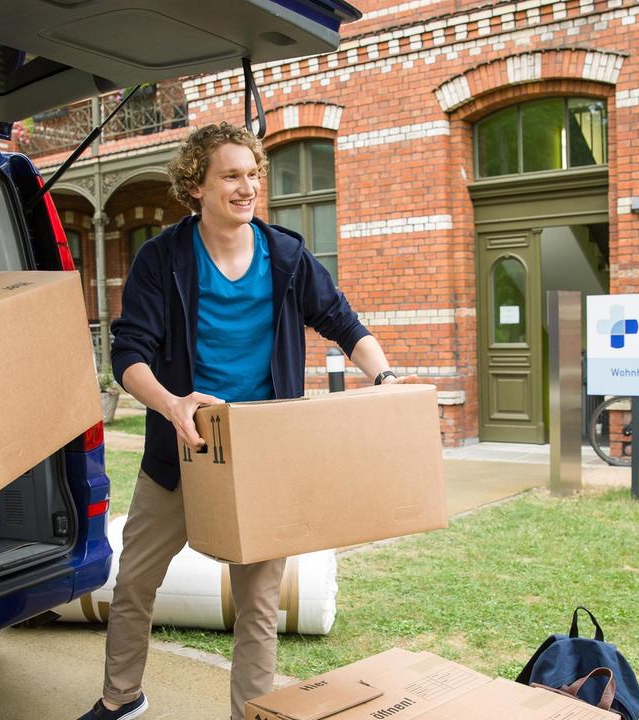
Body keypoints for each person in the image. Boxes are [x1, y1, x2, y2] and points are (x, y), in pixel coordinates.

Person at [81, 122, 415, 720]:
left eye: (252, 174)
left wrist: (384, 378)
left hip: (262, 455)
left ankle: (251, 716)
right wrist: (171, 403)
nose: (246, 187)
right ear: (196, 187)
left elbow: (342, 321)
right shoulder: (163, 258)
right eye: (230, 176)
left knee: (258, 605)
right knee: (133, 584)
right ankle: (120, 698)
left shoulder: (285, 255)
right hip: (182, 448)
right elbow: (128, 354)